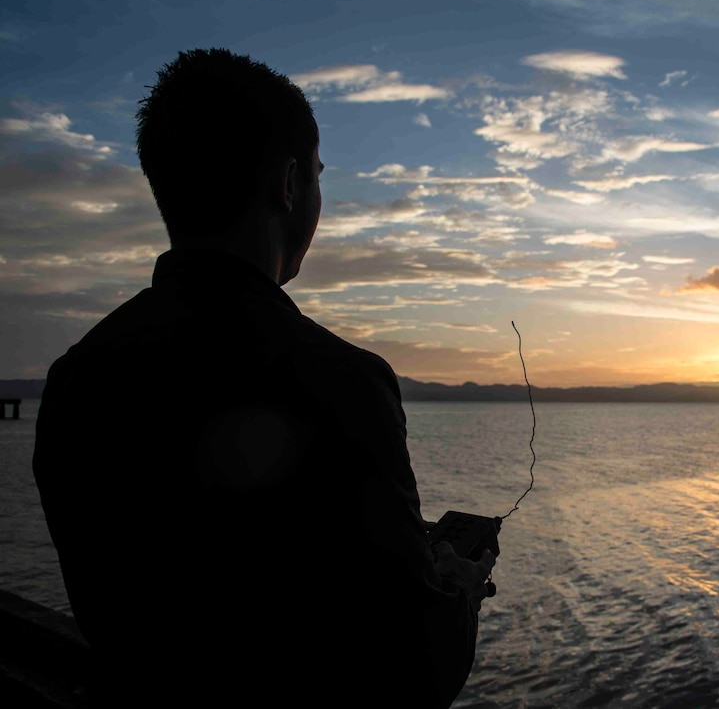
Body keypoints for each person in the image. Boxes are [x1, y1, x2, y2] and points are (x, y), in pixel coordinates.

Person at [32, 48, 496, 707]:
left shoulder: (75, 378)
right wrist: (459, 593)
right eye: (316, 176)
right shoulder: (339, 381)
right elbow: (412, 673)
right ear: (288, 184)